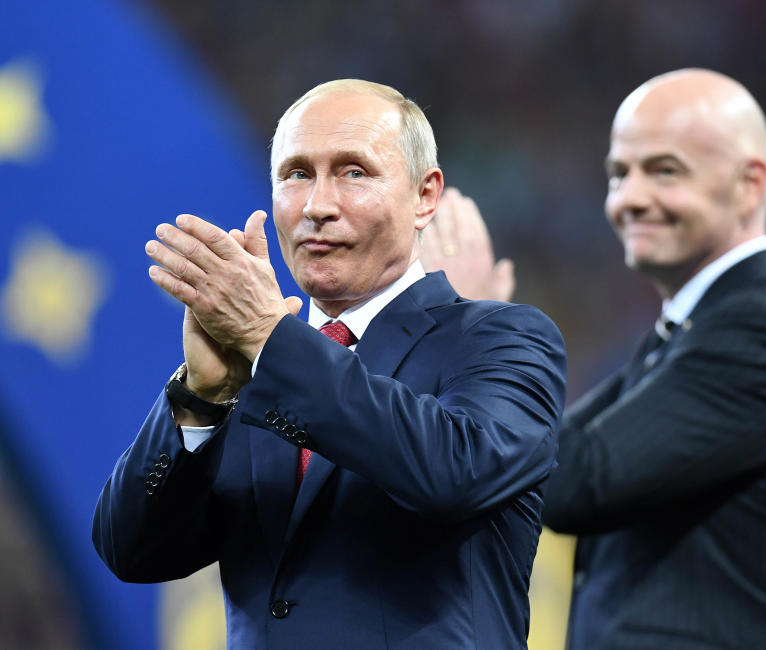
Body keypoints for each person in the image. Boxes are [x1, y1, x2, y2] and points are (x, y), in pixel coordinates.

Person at [92, 79, 566, 649]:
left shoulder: (503, 338)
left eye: (353, 172)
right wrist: (201, 397)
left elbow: (452, 473)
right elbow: (131, 552)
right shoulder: (249, 369)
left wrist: (269, 337)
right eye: (296, 174)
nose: (317, 206)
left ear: (424, 195)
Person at [423, 69, 766, 648]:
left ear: (749, 185)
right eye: (619, 173)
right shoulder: (698, 328)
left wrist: (473, 334)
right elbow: (555, 452)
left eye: (664, 171)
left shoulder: (759, 334)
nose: (630, 198)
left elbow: (570, 482)